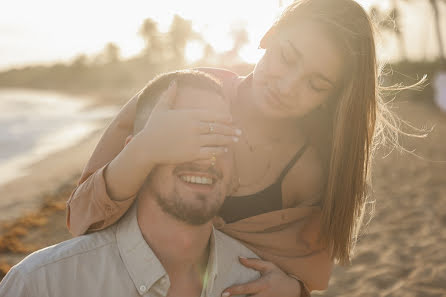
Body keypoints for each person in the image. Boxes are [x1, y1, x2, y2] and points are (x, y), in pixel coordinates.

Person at [67, 0, 390, 295]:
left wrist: (292, 290)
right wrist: (145, 149)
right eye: (287, 57)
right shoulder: (180, 92)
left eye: (316, 84)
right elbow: (81, 218)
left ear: (330, 99)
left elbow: (302, 277)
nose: (288, 86)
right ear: (268, 36)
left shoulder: (306, 172)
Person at [0, 71, 263, 297]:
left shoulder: (257, 283)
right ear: (136, 151)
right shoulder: (43, 283)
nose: (207, 156)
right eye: (184, 136)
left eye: (221, 138)